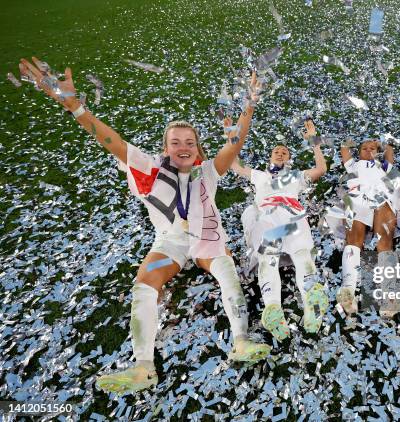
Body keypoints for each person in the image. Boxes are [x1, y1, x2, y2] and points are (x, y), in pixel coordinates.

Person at [18, 57, 271, 394]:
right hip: (170, 242)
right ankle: (143, 367)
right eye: (175, 142)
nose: (183, 147)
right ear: (164, 149)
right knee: (144, 283)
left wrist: (249, 105)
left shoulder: (207, 170)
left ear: (198, 151)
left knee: (225, 267)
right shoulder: (149, 169)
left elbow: (235, 143)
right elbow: (113, 142)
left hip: (206, 238)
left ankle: (241, 340)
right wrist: (76, 107)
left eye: (190, 143)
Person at [231, 119, 328, 340]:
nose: (281, 153)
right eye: (277, 151)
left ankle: (311, 307)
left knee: (302, 254)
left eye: (285, 152)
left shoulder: (295, 176)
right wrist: (232, 137)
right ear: (270, 157)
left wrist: (315, 141)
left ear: (290, 158)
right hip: (267, 217)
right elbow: (234, 165)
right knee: (268, 258)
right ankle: (273, 307)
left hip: (292, 214)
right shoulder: (259, 175)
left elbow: (321, 169)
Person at [326, 137, 400, 316]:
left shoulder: (385, 166)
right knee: (353, 241)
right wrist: (350, 142)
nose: (369, 151)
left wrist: (384, 144)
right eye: (365, 148)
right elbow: (344, 149)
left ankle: (389, 294)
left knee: (384, 242)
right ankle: (348, 291)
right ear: (359, 152)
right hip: (357, 199)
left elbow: (390, 153)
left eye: (373, 148)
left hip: (382, 199)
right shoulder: (354, 166)